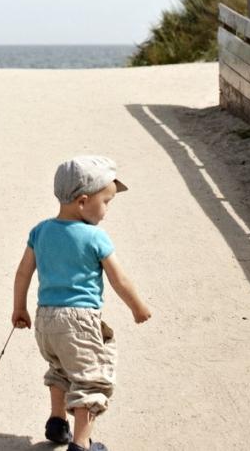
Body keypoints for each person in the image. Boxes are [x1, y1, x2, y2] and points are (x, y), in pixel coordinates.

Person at [11, 156, 152, 451]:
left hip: (45, 319)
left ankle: (57, 420)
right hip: (79, 321)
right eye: (106, 202)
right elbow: (119, 279)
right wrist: (138, 307)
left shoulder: (40, 231)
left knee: (60, 367)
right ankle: (81, 443)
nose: (107, 210)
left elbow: (23, 271)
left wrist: (19, 307)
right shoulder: (94, 237)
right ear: (83, 201)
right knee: (90, 380)